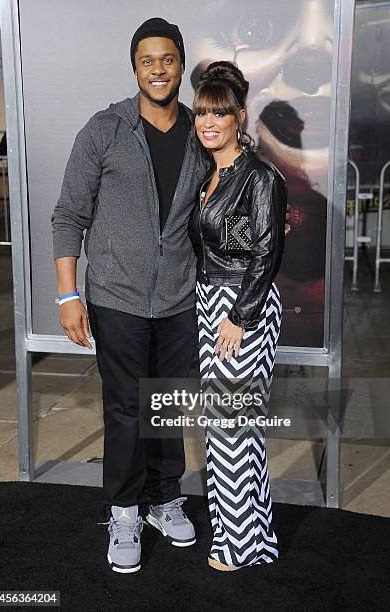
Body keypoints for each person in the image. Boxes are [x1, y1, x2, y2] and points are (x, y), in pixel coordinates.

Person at [51, 18, 208, 574]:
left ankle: (165, 499)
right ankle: (123, 509)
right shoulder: (105, 129)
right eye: (148, 60)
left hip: (180, 298)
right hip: (114, 296)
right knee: (124, 409)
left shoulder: (201, 130)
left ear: (181, 64)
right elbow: (68, 215)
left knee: (165, 406)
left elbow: (237, 183)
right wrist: (68, 296)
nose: (158, 69)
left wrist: (272, 212)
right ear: (135, 67)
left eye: (168, 59)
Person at [188, 61, 288, 571]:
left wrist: (239, 316)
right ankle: (252, 538)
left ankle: (241, 547)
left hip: (240, 308)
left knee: (232, 430)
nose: (208, 122)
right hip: (212, 304)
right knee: (227, 427)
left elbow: (265, 252)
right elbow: (226, 243)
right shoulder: (214, 173)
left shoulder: (261, 176)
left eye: (219, 113)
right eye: (202, 112)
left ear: (239, 117)